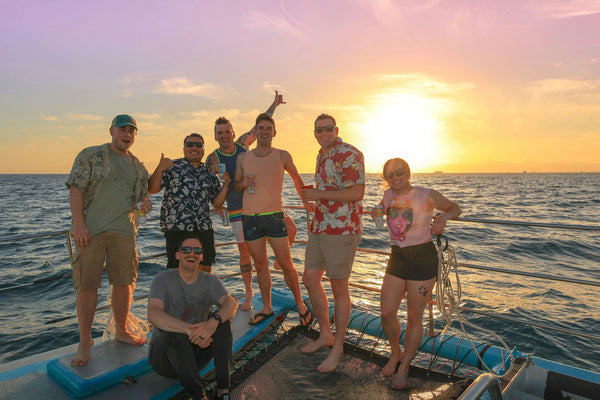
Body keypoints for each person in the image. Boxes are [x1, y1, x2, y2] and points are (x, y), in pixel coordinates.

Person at [65, 114, 151, 367]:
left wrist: (145, 204)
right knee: (87, 284)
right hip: (90, 230)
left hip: (125, 231)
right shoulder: (91, 155)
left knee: (124, 283)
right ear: (112, 131)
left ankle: (121, 330)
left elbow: (142, 199)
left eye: (132, 131)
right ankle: (84, 340)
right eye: (123, 130)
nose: (127, 135)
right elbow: (76, 189)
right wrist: (79, 224)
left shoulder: (138, 166)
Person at [373, 157, 461, 390]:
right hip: (397, 258)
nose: (395, 177)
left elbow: (456, 207)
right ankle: (395, 352)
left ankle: (405, 366)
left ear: (408, 172)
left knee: (414, 317)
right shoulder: (387, 195)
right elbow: (384, 209)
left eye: (399, 172)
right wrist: (377, 210)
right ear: (386, 178)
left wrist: (443, 216)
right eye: (390, 175)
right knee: (386, 312)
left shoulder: (426, 194)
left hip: (422, 260)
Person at [205, 91, 297, 311]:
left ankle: (278, 263)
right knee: (245, 254)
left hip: (263, 205)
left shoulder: (243, 146)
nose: (225, 135)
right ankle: (248, 295)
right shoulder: (212, 159)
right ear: (215, 136)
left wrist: (274, 105)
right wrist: (216, 206)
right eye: (220, 133)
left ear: (233, 133)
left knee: (291, 228)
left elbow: (261, 124)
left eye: (228, 131)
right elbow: (209, 189)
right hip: (237, 210)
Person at [300, 114, 365, 372]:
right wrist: (315, 201)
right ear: (315, 133)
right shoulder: (321, 154)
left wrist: (319, 194)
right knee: (309, 278)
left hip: (342, 229)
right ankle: (325, 334)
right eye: (319, 130)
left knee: (339, 290)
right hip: (319, 225)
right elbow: (330, 190)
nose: (323, 133)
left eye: (328, 128)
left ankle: (338, 348)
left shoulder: (349, 153)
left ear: (336, 130)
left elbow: (357, 193)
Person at [233, 113, 311, 325]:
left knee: (286, 264)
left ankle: (300, 303)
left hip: (274, 216)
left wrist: (306, 204)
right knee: (260, 265)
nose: (265, 131)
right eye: (261, 128)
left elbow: (297, 179)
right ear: (255, 131)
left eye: (268, 128)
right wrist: (242, 183)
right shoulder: (244, 157)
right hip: (250, 218)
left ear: (274, 132)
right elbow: (236, 184)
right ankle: (266, 307)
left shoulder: (282, 155)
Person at [148, 237, 237, 400]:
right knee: (175, 336)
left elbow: (231, 303)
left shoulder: (209, 280)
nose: (192, 254)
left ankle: (223, 391)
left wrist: (212, 323)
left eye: (197, 251)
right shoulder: (162, 280)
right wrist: (190, 330)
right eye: (186, 250)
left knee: (222, 322)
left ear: (202, 256)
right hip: (165, 358)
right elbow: (153, 314)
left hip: (197, 354)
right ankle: (199, 396)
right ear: (177, 255)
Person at [148, 133, 230, 273]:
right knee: (176, 272)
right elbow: (152, 190)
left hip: (203, 228)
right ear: (184, 148)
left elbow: (216, 204)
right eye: (190, 144)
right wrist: (159, 168)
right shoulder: (172, 167)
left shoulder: (209, 174)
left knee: (205, 269)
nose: (194, 148)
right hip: (177, 228)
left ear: (203, 150)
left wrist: (226, 185)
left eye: (198, 145)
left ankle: (202, 296)